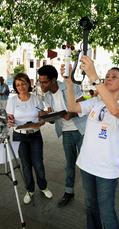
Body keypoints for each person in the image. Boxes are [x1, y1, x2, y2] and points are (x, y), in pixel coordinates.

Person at [61, 56, 119, 229]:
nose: (108, 77)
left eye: (114, 76)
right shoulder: (95, 102)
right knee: (90, 206)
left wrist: (95, 78)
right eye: (107, 75)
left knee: (107, 211)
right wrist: (69, 83)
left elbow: (115, 111)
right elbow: (71, 106)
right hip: (87, 164)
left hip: (106, 169)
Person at [37, 65, 87, 207]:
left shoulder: (70, 87)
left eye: (44, 82)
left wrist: (72, 113)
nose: (42, 85)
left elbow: (84, 106)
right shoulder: (46, 96)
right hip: (66, 133)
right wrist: (45, 116)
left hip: (81, 130)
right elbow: (53, 120)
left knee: (86, 164)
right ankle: (69, 192)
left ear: (53, 80)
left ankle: (90, 195)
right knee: (69, 164)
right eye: (40, 81)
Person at [6, 73, 53, 204]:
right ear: (15, 87)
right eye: (18, 85)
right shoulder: (12, 100)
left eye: (23, 83)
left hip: (35, 134)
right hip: (19, 135)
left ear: (28, 83)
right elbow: (9, 119)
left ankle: (43, 187)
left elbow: (41, 118)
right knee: (25, 165)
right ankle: (30, 190)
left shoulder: (36, 99)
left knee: (38, 164)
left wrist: (41, 121)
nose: (21, 87)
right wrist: (9, 122)